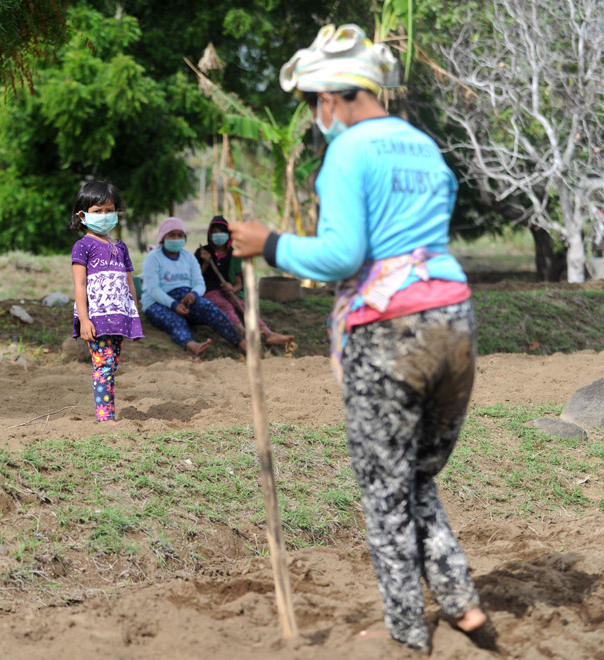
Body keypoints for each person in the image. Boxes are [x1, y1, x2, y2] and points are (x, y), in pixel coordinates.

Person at [228, 24, 495, 656]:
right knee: (416, 477)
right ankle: (462, 605)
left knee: (384, 491)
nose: (314, 116)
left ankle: (406, 631)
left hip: (390, 331)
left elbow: (342, 255)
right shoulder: (422, 146)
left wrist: (269, 243)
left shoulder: (348, 152)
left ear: (330, 98)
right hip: (454, 319)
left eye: (312, 104)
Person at [70, 181, 143, 424]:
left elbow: (129, 282)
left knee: (111, 366)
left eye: (109, 210)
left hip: (119, 317)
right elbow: (80, 285)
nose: (104, 216)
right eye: (97, 211)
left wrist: (133, 316)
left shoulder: (121, 247)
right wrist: (84, 320)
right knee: (103, 366)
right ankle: (105, 417)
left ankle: (107, 414)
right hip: (96, 319)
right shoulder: (82, 246)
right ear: (82, 216)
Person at [140, 217, 247, 359]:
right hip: (157, 302)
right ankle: (192, 345)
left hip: (186, 298)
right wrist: (174, 304)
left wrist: (193, 295)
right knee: (175, 321)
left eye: (180, 235)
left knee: (211, 310)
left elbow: (199, 283)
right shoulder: (153, 258)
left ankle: (242, 343)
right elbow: (153, 289)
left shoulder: (188, 257)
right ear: (163, 237)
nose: (176, 239)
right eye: (172, 235)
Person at [195, 215, 295, 347]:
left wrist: (232, 289)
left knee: (244, 306)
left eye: (222, 232)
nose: (218, 235)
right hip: (209, 291)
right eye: (215, 232)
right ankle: (243, 332)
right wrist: (206, 263)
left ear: (228, 235)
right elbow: (195, 278)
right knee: (226, 306)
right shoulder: (202, 252)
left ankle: (268, 333)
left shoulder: (234, 254)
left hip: (228, 291)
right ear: (210, 234)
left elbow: (239, 283)